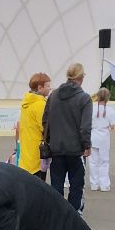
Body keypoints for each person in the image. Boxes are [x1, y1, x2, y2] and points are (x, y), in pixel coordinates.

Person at [42, 63, 93, 211]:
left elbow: (45, 120)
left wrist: (51, 140)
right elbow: (85, 127)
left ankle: (57, 214)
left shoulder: (54, 95)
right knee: (76, 186)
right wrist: (87, 145)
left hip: (57, 147)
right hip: (75, 149)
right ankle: (73, 215)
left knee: (56, 185)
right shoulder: (84, 99)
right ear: (80, 77)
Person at [16, 72, 49, 178]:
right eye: (48, 86)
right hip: (37, 156)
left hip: (26, 156)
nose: (50, 88)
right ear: (40, 87)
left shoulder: (26, 103)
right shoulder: (40, 104)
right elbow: (45, 128)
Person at [88, 88, 115, 192]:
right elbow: (112, 126)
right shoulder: (110, 110)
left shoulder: (91, 108)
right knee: (104, 161)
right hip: (104, 137)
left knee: (93, 161)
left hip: (93, 135)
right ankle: (104, 184)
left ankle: (94, 184)